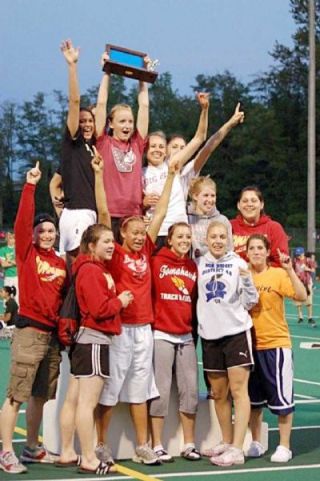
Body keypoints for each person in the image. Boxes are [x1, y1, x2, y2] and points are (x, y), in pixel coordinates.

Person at [92, 149, 179, 465]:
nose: (142, 236)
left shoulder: (148, 249)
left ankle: (143, 446)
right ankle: (101, 444)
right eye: (136, 233)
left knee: (140, 389)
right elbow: (103, 213)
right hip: (119, 329)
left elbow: (162, 211)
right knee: (111, 389)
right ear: (123, 234)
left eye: (144, 233)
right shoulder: (114, 253)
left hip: (145, 329)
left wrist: (171, 175)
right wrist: (100, 175)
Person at [0, 162, 67, 475]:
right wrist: (30, 186)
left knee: (41, 395)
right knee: (16, 394)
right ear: (33, 235)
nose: (46, 234)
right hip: (29, 331)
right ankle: (5, 452)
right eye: (41, 230)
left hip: (52, 336)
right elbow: (23, 221)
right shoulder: (28, 255)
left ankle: (31, 448)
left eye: (51, 230)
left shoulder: (60, 263)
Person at [68, 223, 133, 475]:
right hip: (93, 340)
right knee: (87, 403)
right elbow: (99, 309)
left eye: (111, 240)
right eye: (105, 241)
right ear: (91, 245)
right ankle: (88, 457)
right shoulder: (91, 272)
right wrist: (121, 301)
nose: (111, 245)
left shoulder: (95, 269)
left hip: (95, 341)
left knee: (85, 402)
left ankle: (87, 454)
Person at [197, 221, 258, 467]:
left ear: (229, 239)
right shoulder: (199, 263)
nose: (218, 240)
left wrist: (246, 281)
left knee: (238, 391)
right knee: (219, 393)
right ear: (206, 239)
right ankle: (226, 440)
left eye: (223, 236)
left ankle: (237, 449)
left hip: (236, 334)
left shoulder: (238, 263)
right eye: (214, 236)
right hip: (210, 336)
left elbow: (251, 301)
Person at [246, 235, 307, 462]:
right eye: (252, 248)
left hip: (276, 345)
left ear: (267, 250)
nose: (256, 252)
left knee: (282, 401)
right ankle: (256, 441)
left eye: (260, 248)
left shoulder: (278, 274)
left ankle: (284, 446)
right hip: (250, 346)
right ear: (247, 252)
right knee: (253, 401)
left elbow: (301, 296)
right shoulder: (243, 274)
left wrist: (290, 269)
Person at [149, 222, 200, 462]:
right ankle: (156, 444)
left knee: (190, 390)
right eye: (180, 236)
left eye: (188, 236)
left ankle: (189, 443)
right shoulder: (157, 260)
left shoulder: (192, 266)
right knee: (160, 391)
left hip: (186, 335)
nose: (184, 240)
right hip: (162, 333)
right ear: (169, 239)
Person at [49, 39, 97, 262]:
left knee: (81, 270)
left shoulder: (92, 149)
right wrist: (72, 66)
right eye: (83, 121)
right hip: (78, 213)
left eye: (91, 121)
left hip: (83, 213)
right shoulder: (74, 143)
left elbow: (55, 182)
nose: (87, 124)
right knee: (79, 266)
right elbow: (75, 101)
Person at [95, 53, 150, 242]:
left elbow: (144, 106)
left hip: (133, 214)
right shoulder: (104, 142)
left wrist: (142, 76)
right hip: (108, 213)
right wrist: (107, 71)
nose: (127, 125)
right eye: (122, 121)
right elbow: (101, 104)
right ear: (111, 124)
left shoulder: (137, 144)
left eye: (130, 121)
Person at [143, 92, 209, 246]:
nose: (157, 150)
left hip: (178, 231)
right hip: (154, 231)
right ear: (145, 150)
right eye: (152, 146)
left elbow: (199, 138)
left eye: (161, 146)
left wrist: (205, 109)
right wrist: (143, 203)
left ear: (166, 151)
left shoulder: (173, 165)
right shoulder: (140, 173)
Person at [231, 186, 289, 267]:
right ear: (238, 205)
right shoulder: (229, 226)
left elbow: (281, 262)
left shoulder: (274, 228)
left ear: (261, 205)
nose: (249, 204)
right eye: (245, 201)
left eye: (254, 201)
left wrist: (254, 268)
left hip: (266, 277)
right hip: (235, 277)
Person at [188, 176, 232, 258]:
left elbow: (229, 249)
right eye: (206, 195)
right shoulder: (186, 219)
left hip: (215, 267)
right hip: (191, 267)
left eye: (213, 196)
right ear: (195, 196)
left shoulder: (222, 220)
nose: (210, 200)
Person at [292, 247, 316, 327]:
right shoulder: (295, 260)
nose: (298, 256)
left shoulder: (308, 260)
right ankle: (300, 317)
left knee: (309, 300)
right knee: (298, 300)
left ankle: (310, 317)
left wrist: (307, 268)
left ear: (303, 253)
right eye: (296, 255)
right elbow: (292, 269)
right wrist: (295, 274)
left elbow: (313, 270)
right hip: (298, 282)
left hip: (307, 282)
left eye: (299, 254)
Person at [0, 232, 18, 304]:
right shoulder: (2, 250)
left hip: (17, 277)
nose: (13, 240)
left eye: (14, 238)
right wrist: (14, 262)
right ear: (7, 239)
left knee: (17, 297)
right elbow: (3, 264)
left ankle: (16, 314)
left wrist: (9, 261)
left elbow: (20, 262)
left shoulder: (18, 249)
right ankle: (7, 313)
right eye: (10, 238)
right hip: (8, 276)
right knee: (7, 298)